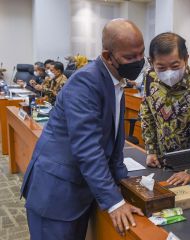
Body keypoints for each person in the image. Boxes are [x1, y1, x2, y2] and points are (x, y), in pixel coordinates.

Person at [21, 19, 145, 240]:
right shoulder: (85, 83)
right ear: (107, 56)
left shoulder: (116, 82)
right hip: (57, 195)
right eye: (129, 57)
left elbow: (113, 142)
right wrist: (114, 201)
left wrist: (125, 187)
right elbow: (88, 149)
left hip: (81, 192)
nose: (138, 61)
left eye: (141, 54)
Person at [140, 32, 190, 186]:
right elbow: (146, 115)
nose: (168, 73)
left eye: (175, 66)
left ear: (186, 58)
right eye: (161, 67)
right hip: (161, 162)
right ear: (151, 62)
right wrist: (151, 150)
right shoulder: (149, 76)